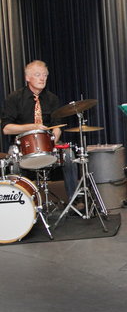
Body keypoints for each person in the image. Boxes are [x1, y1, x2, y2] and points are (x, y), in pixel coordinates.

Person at [1, 60, 78, 205]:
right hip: (23, 146)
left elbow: (57, 126)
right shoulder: (15, 98)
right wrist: (32, 126)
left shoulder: (52, 99)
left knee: (69, 155)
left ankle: (74, 200)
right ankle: (22, 205)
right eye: (37, 75)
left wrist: (53, 139)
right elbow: (6, 129)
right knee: (13, 162)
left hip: (49, 143)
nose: (42, 78)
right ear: (27, 78)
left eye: (45, 75)